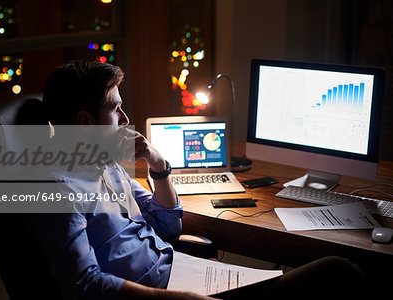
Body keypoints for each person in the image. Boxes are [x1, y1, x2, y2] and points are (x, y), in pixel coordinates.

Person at [29, 61, 367, 300]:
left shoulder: (108, 166)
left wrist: (158, 164)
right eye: (115, 110)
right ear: (86, 121)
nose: (126, 119)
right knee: (337, 274)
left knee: (337, 273)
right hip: (164, 293)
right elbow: (83, 285)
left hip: (185, 273)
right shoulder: (59, 189)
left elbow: (168, 223)